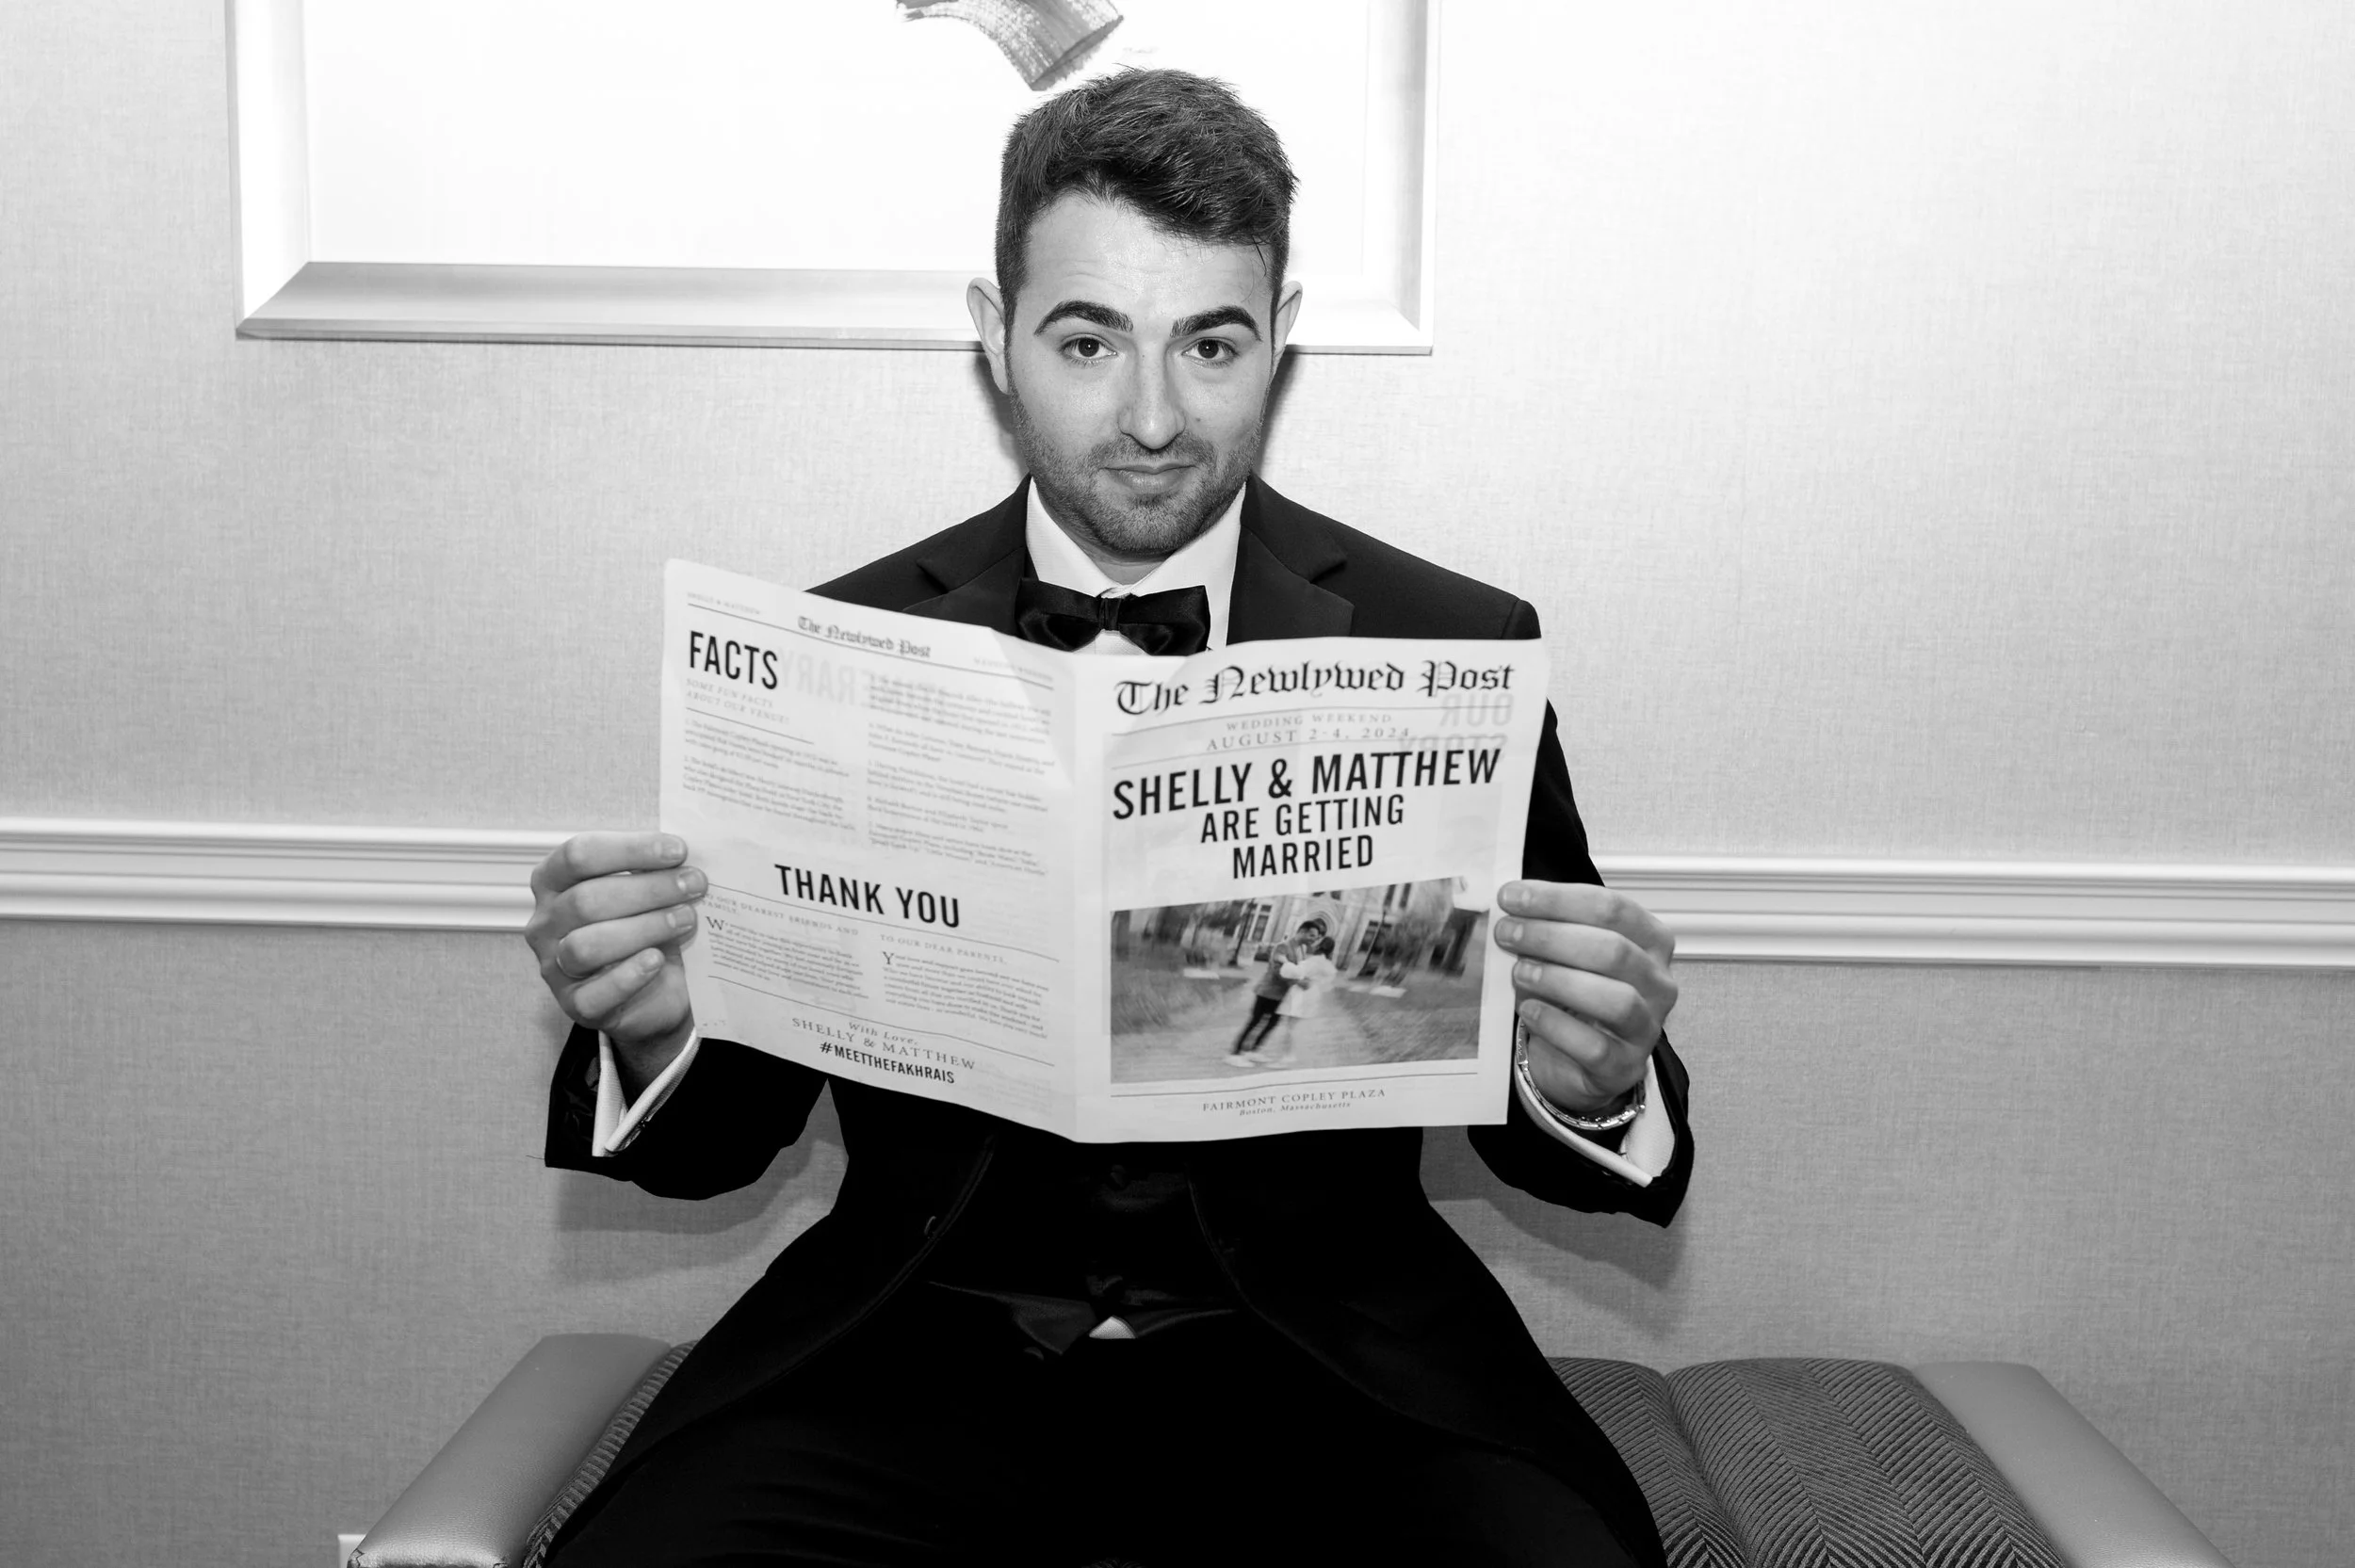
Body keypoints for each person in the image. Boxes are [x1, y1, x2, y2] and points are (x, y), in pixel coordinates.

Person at [524, 69, 1692, 1568]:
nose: (1152, 417)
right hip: (916, 1362)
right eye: (1089, 342)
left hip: (1330, 1378)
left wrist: (1589, 1072)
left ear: (1281, 336)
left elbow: (1554, 1112)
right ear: (992, 334)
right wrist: (656, 1021)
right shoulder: (842, 642)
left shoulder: (1441, 643)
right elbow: (719, 1144)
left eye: (1210, 343)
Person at [1226, 917, 1323, 1062]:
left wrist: (1306, 978)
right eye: (1312, 936)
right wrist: (1298, 982)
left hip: (1282, 995)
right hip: (1268, 991)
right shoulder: (1282, 947)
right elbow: (1278, 970)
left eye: (1316, 937)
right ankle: (1234, 1054)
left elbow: (1300, 969)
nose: (1314, 940)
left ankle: (1253, 1051)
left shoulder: (1302, 949)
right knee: (1255, 1021)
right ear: (1302, 931)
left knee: (1272, 1024)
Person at [1259, 934, 1339, 1067]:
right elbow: (1328, 982)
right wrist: (1315, 981)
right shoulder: (1326, 964)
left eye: (1318, 940)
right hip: (1312, 993)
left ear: (1320, 945)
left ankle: (1287, 1057)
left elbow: (1293, 972)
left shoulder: (1313, 961)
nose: (1314, 942)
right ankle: (1287, 1055)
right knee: (1293, 1026)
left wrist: (1284, 961)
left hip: (1301, 994)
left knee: (1290, 1027)